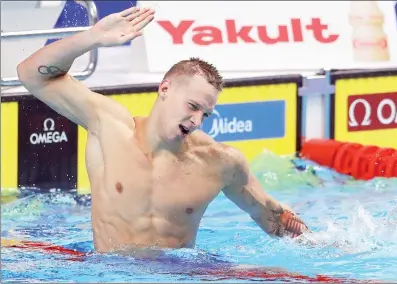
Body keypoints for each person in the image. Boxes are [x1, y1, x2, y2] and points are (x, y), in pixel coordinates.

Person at [17, 6, 310, 256]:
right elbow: (32, 74)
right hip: (106, 272)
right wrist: (91, 38)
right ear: (165, 89)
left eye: (205, 114)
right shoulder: (108, 126)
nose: (197, 120)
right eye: (192, 106)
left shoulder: (219, 163)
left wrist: (317, 242)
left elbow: (268, 213)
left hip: (179, 274)